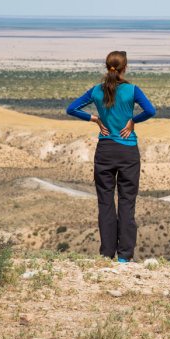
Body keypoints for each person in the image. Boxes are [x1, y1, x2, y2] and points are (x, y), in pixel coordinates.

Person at [66, 51, 156, 262]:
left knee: (105, 203)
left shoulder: (97, 90)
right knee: (127, 203)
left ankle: (106, 254)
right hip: (127, 151)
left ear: (107, 68)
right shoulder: (132, 90)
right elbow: (150, 111)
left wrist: (95, 119)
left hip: (105, 151)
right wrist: (133, 121)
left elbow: (71, 109)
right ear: (125, 68)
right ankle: (124, 257)